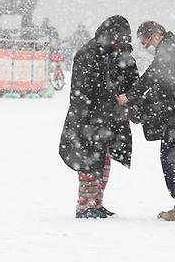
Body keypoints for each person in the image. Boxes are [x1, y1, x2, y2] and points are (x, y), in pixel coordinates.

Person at [117, 21, 175, 222]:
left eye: (146, 42)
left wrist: (131, 96)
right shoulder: (174, 47)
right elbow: (161, 82)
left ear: (156, 35)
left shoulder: (169, 49)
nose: (148, 46)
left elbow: (153, 77)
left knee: (171, 156)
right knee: (171, 156)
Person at [58, 15, 138, 219]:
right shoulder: (89, 53)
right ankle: (85, 205)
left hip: (108, 116)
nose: (121, 43)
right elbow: (83, 90)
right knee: (89, 160)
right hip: (90, 116)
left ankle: (97, 202)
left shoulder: (117, 53)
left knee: (103, 160)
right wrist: (98, 109)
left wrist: (129, 100)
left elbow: (130, 81)